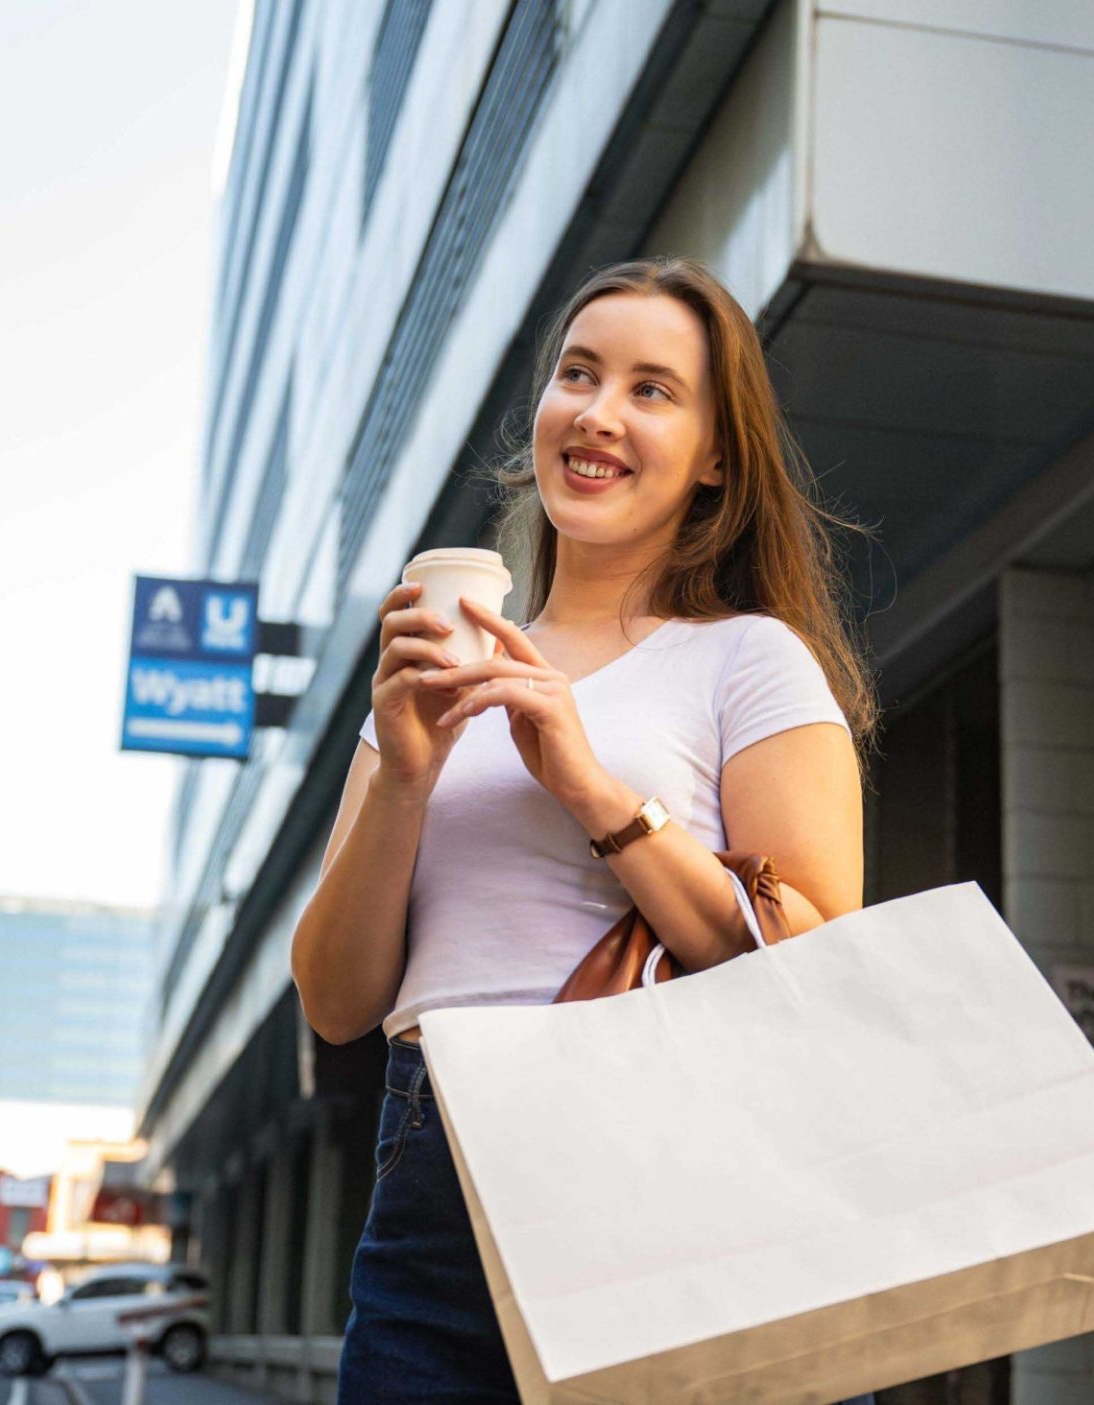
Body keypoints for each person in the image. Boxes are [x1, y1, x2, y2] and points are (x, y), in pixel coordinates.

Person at [291, 256, 881, 1403]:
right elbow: (335, 1000)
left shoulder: (748, 657)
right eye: (578, 374)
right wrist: (405, 770)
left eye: (652, 389)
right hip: (437, 1173)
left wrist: (593, 789)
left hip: (673, 1164)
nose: (598, 413)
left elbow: (814, 956)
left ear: (716, 455)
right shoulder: (426, 685)